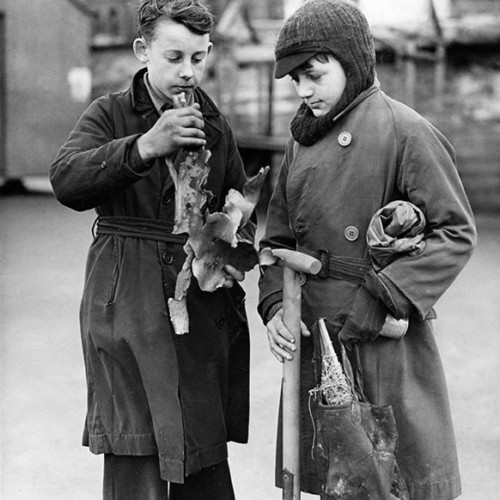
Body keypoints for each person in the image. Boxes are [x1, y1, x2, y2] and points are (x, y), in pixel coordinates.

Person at [258, 1, 477, 499]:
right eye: (294, 80)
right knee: (333, 482)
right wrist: (274, 306)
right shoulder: (301, 142)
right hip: (317, 338)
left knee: (391, 482)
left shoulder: (406, 131)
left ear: (351, 63)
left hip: (384, 339)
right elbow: (276, 241)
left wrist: (380, 298)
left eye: (314, 74)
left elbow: (456, 232)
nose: (304, 90)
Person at [49, 1, 253, 498]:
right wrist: (142, 147)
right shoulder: (110, 112)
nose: (188, 72)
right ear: (143, 51)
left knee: (199, 443)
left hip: (195, 304)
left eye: (199, 58)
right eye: (174, 57)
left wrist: (232, 232)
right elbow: (66, 180)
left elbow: (240, 195)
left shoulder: (212, 120)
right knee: (136, 448)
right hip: (126, 298)